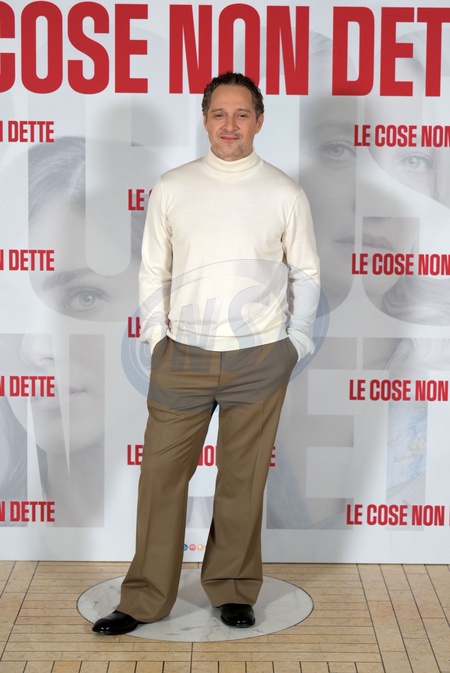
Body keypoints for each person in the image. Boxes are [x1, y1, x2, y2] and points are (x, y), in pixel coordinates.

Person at [92, 71, 320, 635]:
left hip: (259, 358)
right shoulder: (173, 186)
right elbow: (153, 268)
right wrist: (156, 338)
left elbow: (307, 271)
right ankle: (143, 598)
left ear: (259, 122)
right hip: (183, 356)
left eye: (242, 115)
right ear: (204, 119)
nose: (230, 125)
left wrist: (296, 341)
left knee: (243, 480)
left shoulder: (285, 193)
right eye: (220, 114)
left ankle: (234, 590)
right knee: (160, 478)